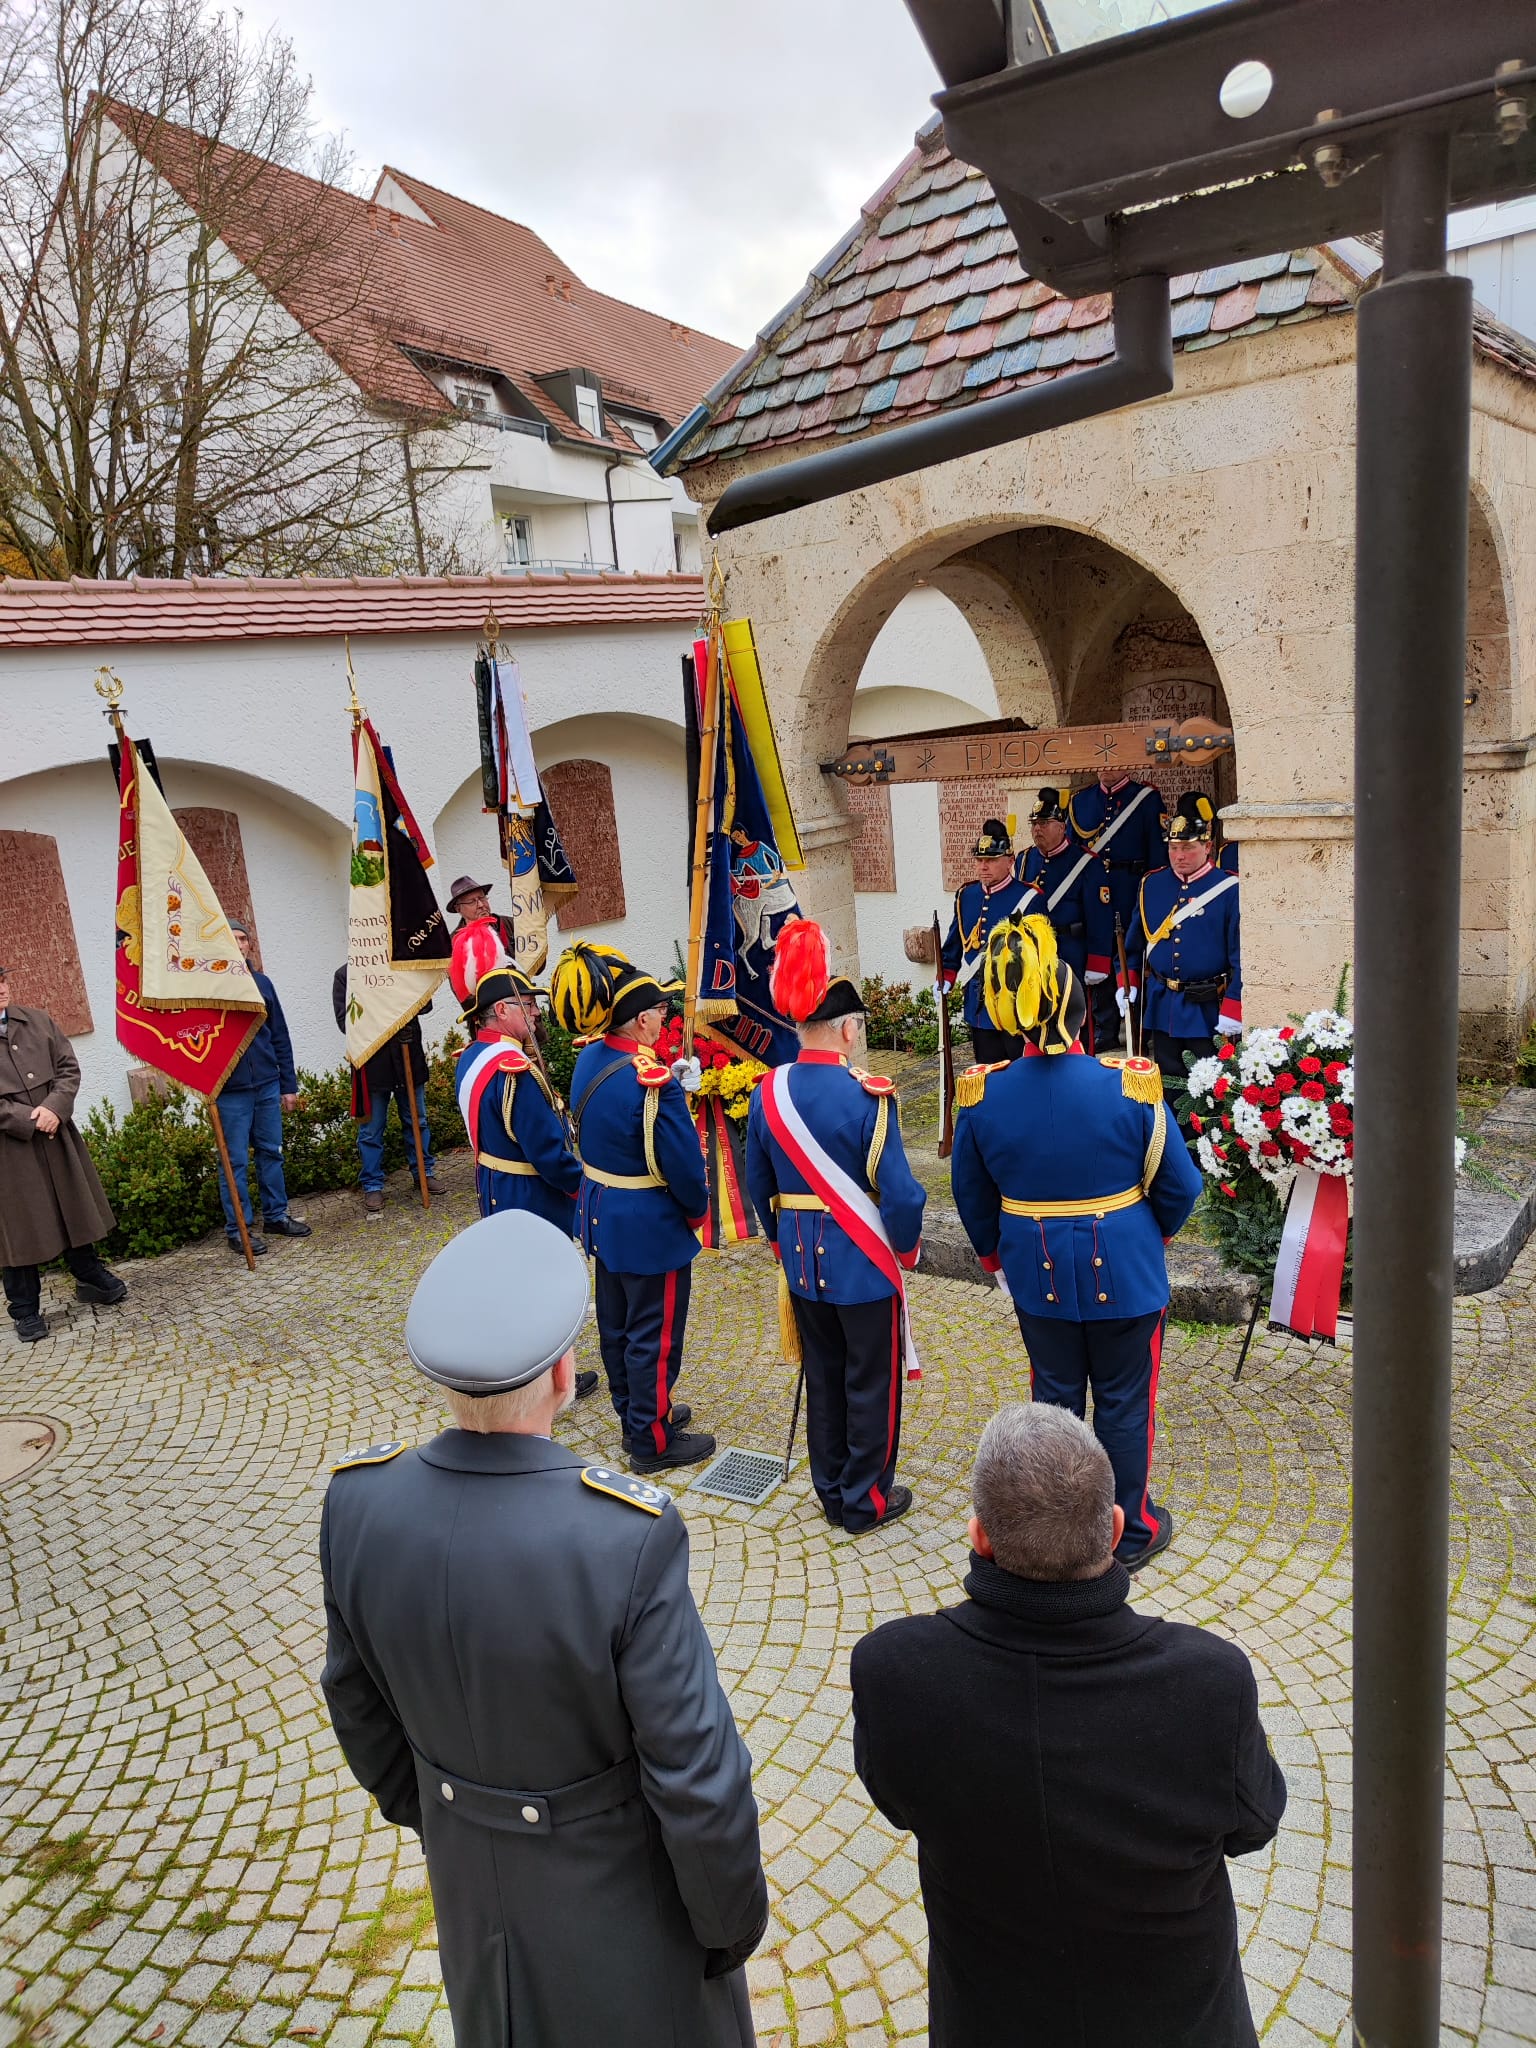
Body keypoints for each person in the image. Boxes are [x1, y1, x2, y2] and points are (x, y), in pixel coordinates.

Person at [320, 1209, 768, 2048]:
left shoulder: (357, 1504)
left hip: (468, 1898)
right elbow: (697, 1774)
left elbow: (356, 1706)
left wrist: (447, 1817)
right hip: (625, 1918)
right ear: (566, 1373)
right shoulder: (624, 1535)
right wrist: (726, 1926)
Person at [849, 1402, 1287, 2048]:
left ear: (979, 1538)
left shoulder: (896, 1674)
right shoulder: (1210, 1686)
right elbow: (1256, 1822)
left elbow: (895, 1797)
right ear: (1114, 1531)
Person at [949, 914, 1201, 1570]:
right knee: (1124, 1401)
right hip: (1127, 1271)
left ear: (1023, 1017)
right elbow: (1179, 1186)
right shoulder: (1132, 1084)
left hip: (1038, 1279)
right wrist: (1154, 1237)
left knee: (1054, 1404)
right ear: (1085, 1016)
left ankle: (1056, 1536)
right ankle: (1133, 1529)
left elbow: (973, 1198)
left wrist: (994, 1258)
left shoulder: (983, 1094)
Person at [745, 919, 925, 1533]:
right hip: (862, 1263)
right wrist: (907, 1246)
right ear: (848, 1030)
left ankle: (829, 1488)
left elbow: (757, 1184)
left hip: (801, 1262)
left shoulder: (768, 1091)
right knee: (871, 1381)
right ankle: (864, 1501)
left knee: (822, 1373)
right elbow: (898, 1193)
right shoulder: (867, 1095)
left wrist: (780, 1248)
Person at [551, 944, 715, 1474]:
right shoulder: (654, 1082)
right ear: (641, 1019)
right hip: (648, 1222)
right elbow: (686, 1170)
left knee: (618, 1326)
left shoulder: (591, 1057)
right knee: (655, 1335)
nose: (664, 1018)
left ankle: (637, 1415)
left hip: (602, 1214)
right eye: (660, 1012)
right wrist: (696, 1213)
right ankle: (652, 1440)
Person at [0, 966, 127, 1342]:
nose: (1, 990)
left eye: (2, 981)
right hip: (10, 1148)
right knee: (18, 1228)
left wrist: (55, 1107)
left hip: (57, 1133)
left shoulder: (37, 1021)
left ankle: (89, 1276)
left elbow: (68, 1068)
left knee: (70, 1207)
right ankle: (24, 1309)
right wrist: (26, 1118)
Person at [1123, 791, 1243, 1089]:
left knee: (1210, 1089)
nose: (1179, 855)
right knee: (1166, 1085)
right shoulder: (1152, 884)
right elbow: (1134, 944)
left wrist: (1234, 1005)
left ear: (1207, 846)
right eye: (1174, 847)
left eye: (1188, 847)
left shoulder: (1228, 888)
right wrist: (1129, 983)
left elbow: (1241, 956)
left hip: (1208, 1008)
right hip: (1162, 1004)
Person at [214, 923, 310, 1254]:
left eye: (244, 939)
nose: (240, 944)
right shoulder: (209, 988)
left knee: (271, 1153)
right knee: (234, 1162)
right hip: (229, 1091)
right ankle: (237, 1228)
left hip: (267, 1085)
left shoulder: (263, 984)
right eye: (233, 938)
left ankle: (276, 1215)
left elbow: (280, 1036)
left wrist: (288, 1085)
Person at [331, 967, 441, 1217]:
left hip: (407, 1058)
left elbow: (425, 1003)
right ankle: (372, 1184)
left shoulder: (402, 968)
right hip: (373, 1064)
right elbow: (345, 1021)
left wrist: (406, 1014)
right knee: (371, 1130)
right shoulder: (345, 976)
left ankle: (424, 1172)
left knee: (417, 1121)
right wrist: (387, 1019)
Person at [1068, 771, 1167, 1049]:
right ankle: (1104, 1027)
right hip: (1092, 891)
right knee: (1097, 955)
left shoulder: (1145, 798)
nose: (1107, 769)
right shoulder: (1082, 801)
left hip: (1131, 887)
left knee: (1129, 954)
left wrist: (1154, 894)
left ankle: (1136, 1026)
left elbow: (1157, 853)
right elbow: (1072, 853)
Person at [938, 817, 1042, 1064]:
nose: (984, 866)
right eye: (980, 860)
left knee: (1021, 1073)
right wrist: (946, 975)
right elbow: (955, 941)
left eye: (992, 860)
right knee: (988, 1073)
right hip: (980, 1006)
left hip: (1017, 1004)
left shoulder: (1029, 898)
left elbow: (1040, 956)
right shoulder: (967, 895)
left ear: (1009, 861)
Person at [1019, 788, 1114, 1049]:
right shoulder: (1024, 859)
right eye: (1034, 824)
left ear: (1061, 826)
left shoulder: (1085, 862)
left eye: (1045, 823)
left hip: (1071, 951)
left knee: (1075, 1018)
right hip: (1035, 954)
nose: (1038, 829)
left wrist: (1097, 961)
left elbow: (1099, 915)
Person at [446, 874, 516, 957]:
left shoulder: (511, 924)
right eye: (471, 901)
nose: (481, 904)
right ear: (458, 909)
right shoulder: (453, 943)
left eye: (482, 898)